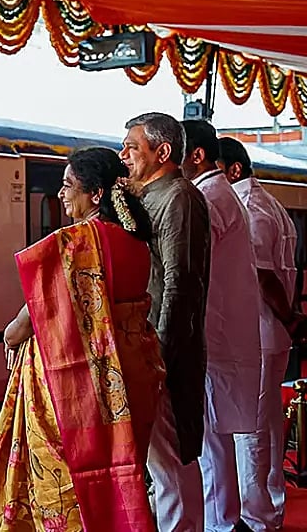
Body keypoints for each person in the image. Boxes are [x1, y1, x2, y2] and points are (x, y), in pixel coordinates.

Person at [0, 147, 165, 532]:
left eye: (68, 185)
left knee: (64, 483)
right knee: (122, 471)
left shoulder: (73, 243)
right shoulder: (137, 243)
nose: (61, 194)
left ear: (96, 194)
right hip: (134, 377)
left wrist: (10, 337)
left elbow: (31, 317)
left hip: (77, 391)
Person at [120, 112, 211, 532]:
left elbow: (180, 281)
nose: (124, 156)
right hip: (147, 345)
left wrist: (161, 350)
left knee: (171, 457)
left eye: (132, 148)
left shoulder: (178, 197)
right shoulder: (149, 195)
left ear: (163, 152)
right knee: (158, 460)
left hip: (164, 347)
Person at [179, 121, 262, 532]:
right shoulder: (219, 193)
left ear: (196, 156)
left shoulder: (207, 197)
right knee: (216, 440)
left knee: (211, 440)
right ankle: (225, 520)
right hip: (223, 332)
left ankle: (222, 524)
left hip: (213, 334)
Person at [219, 136, 299, 531]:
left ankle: (256, 517)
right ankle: (271, 507)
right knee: (264, 425)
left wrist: (289, 316)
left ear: (233, 170)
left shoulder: (249, 209)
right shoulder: (270, 204)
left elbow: (264, 276)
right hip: (271, 334)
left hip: (261, 330)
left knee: (249, 428)